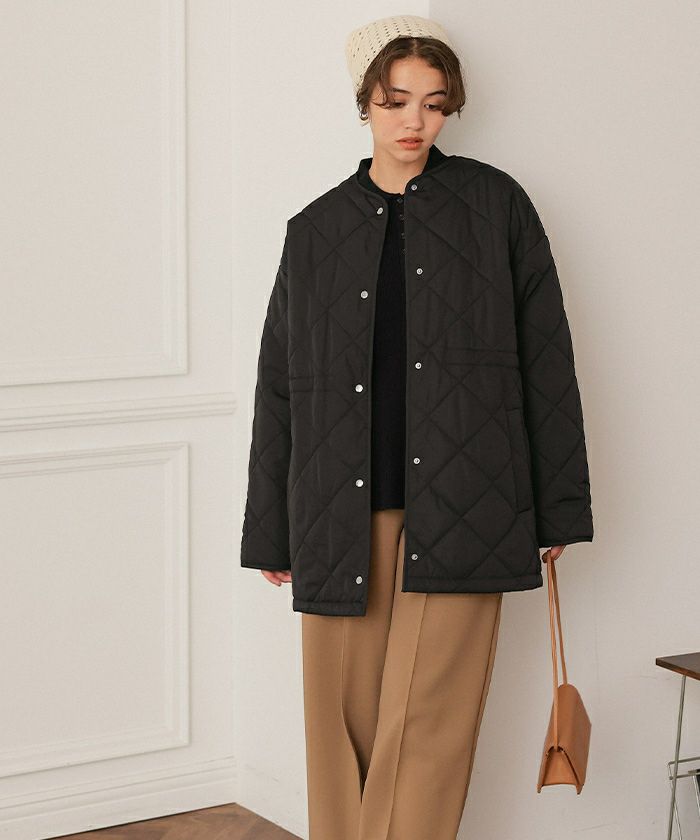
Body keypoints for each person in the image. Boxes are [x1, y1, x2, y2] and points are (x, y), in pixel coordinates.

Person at [240, 13, 594, 840]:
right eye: (395, 101)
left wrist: (556, 509)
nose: (415, 122)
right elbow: (280, 386)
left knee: (431, 722)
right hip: (339, 508)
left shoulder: (497, 207)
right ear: (364, 102)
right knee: (343, 724)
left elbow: (547, 361)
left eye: (435, 104)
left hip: (469, 498)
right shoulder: (315, 230)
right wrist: (272, 531)